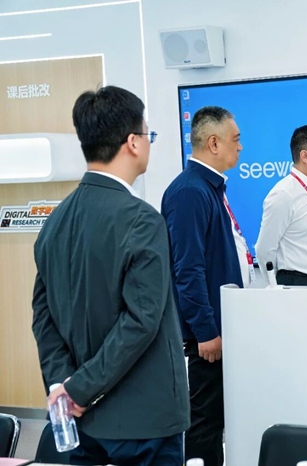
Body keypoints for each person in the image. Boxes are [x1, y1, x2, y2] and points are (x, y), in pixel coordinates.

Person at [32, 85, 189, 465]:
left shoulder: (54, 222)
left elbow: (43, 318)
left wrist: (65, 387)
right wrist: (80, 389)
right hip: (143, 421)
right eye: (148, 135)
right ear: (133, 142)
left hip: (80, 421)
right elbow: (141, 321)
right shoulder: (141, 220)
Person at [161, 106, 249, 466]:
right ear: (213, 143)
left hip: (224, 329)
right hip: (209, 338)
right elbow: (187, 269)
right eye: (235, 139)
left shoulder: (209, 188)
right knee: (205, 425)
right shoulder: (189, 192)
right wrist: (206, 331)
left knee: (218, 423)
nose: (240, 147)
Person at [256, 124, 307, 286]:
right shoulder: (284, 194)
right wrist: (275, 287)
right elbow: (264, 249)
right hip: (297, 284)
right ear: (305, 156)